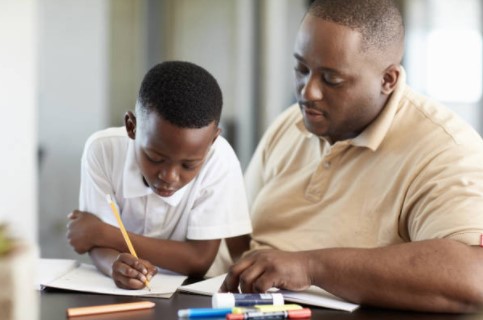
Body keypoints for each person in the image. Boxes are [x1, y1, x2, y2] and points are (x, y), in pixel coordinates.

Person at [221, 0, 483, 313]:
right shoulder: (289, 125)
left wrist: (310, 267)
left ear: (388, 80)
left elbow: (473, 276)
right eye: (302, 70)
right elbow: (237, 241)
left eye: (332, 79)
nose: (308, 93)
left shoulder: (444, 148)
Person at [67, 61, 252, 290]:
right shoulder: (102, 151)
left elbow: (199, 260)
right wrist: (115, 264)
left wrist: (105, 233)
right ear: (131, 126)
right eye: (155, 158)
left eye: (188, 165)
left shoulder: (220, 159)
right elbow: (94, 243)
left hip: (198, 291)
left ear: (212, 140)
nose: (170, 177)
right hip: (127, 292)